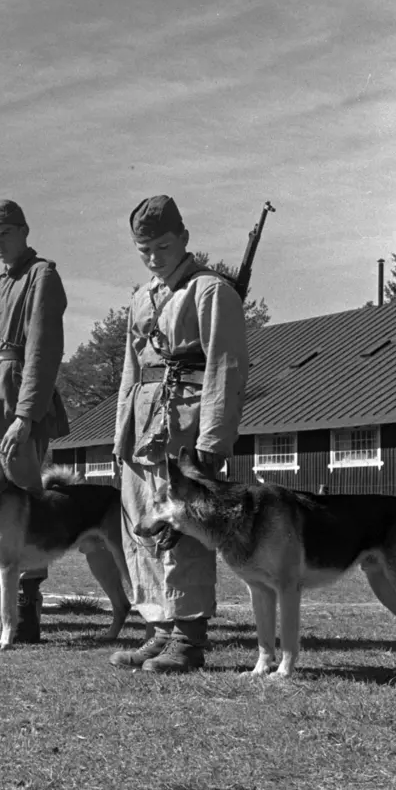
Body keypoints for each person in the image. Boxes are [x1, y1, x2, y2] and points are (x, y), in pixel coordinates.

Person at [112, 194, 249, 674]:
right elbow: (131, 371)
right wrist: (119, 436)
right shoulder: (140, 297)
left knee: (183, 530)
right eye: (143, 250)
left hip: (184, 428)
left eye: (162, 246)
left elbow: (225, 368)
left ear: (184, 239)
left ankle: (188, 639)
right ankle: (159, 630)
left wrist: (212, 442)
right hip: (142, 426)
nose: (153, 257)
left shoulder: (210, 292)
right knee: (143, 529)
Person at [0, 199, 69, 644]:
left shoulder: (41, 275)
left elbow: (43, 351)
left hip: (14, 402)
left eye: (4, 234)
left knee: (22, 506)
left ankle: (26, 613)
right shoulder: (1, 281)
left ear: (24, 230)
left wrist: (26, 415)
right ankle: (0, 614)